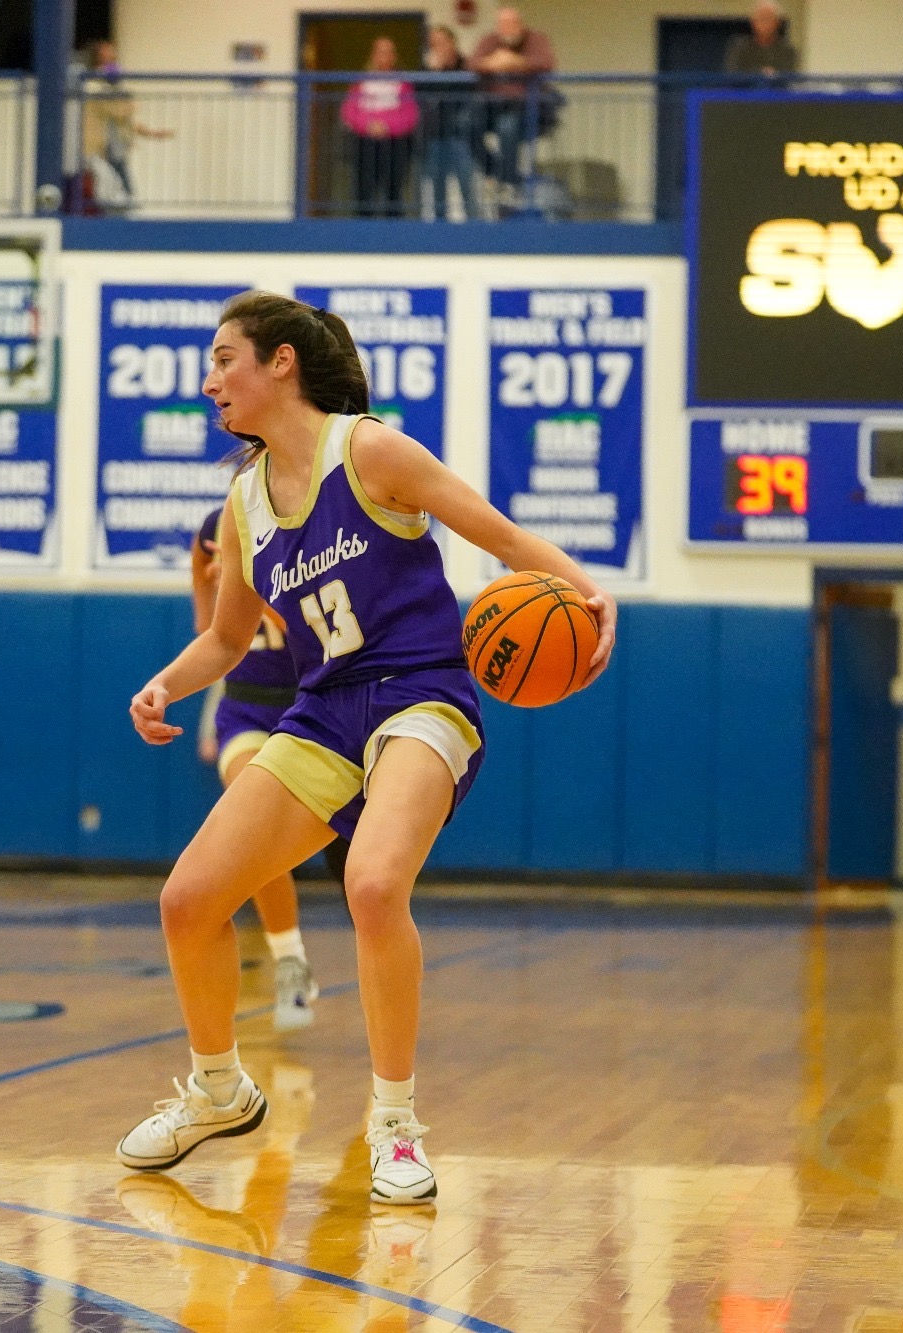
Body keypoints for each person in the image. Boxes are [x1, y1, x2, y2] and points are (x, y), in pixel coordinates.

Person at [116, 292, 617, 1204]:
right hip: (322, 711)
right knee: (188, 899)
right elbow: (228, 639)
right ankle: (219, 1090)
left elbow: (500, 535)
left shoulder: (369, 450)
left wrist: (586, 591)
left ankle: (394, 1125)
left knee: (375, 884)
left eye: (224, 358)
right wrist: (165, 685)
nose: (209, 378)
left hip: (421, 693)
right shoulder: (243, 505)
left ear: (281, 362)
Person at [191, 506, 320, 1030]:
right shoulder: (210, 532)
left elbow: (314, 635)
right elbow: (210, 633)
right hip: (243, 706)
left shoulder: (309, 532)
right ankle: (289, 959)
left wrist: (251, 586)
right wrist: (219, 588)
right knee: (252, 828)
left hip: (307, 706)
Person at [469, 6, 556, 207]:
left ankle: (508, 184)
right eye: (502, 24)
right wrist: (492, 63)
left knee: (507, 128)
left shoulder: (536, 39)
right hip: (491, 103)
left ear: (520, 24)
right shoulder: (490, 40)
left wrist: (514, 61)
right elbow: (473, 63)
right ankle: (494, 171)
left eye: (511, 23)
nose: (507, 28)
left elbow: (546, 62)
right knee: (466, 122)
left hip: (524, 106)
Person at [78, 39, 173, 215]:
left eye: (112, 51)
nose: (111, 55)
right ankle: (121, 218)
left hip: (114, 148)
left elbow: (125, 122)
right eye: (106, 52)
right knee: (111, 190)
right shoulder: (93, 84)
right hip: (99, 150)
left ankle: (122, 216)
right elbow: (118, 111)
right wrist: (129, 102)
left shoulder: (110, 83)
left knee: (118, 189)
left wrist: (153, 133)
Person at [339, 37, 419, 220]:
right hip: (365, 141)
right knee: (364, 189)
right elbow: (349, 111)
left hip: (394, 143)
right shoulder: (360, 82)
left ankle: (393, 231)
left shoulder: (403, 84)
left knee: (393, 189)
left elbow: (410, 114)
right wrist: (368, 125)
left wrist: (387, 127)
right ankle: (363, 230)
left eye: (388, 52)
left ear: (394, 56)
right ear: (373, 55)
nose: (384, 56)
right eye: (380, 52)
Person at [421, 25, 479, 221]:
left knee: (467, 185)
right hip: (434, 135)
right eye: (433, 44)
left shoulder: (466, 65)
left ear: (452, 42)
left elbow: (463, 92)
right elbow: (423, 96)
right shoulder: (427, 71)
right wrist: (434, 73)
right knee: (437, 187)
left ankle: (474, 228)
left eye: (441, 42)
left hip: (461, 136)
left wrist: (440, 75)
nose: (437, 47)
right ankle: (440, 229)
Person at [724, 1, 801, 77]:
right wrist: (759, 73)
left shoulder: (787, 51)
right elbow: (733, 74)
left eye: (768, 18)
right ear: (753, 22)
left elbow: (789, 76)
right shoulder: (739, 48)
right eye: (761, 18)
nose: (764, 24)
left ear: (777, 22)